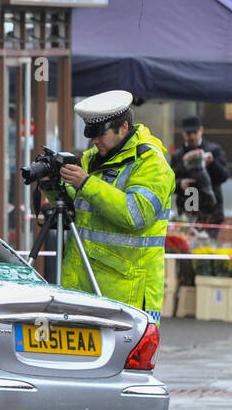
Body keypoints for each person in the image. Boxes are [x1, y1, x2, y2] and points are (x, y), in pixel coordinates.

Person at [59, 89, 176, 322]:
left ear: (123, 128)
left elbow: (135, 215)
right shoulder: (93, 158)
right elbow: (79, 205)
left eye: (100, 134)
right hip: (84, 286)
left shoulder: (152, 164)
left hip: (127, 295)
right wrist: (53, 187)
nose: (93, 140)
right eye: (90, 134)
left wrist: (86, 182)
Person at [169, 114, 229, 228]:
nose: (192, 136)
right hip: (186, 211)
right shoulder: (177, 156)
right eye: (188, 133)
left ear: (201, 130)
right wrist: (180, 184)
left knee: (209, 245)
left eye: (194, 132)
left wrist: (212, 163)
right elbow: (168, 181)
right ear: (183, 133)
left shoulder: (214, 150)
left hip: (211, 212)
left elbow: (224, 176)